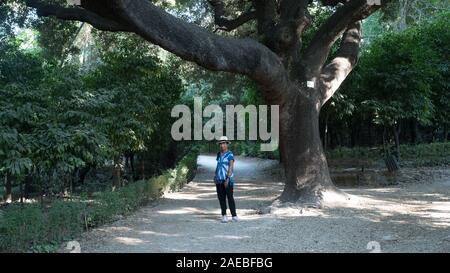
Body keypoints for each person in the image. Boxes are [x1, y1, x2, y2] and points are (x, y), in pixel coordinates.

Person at [214, 136, 238, 223]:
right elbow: (218, 165)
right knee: (221, 198)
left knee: (230, 197)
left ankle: (234, 215)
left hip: (227, 179)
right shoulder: (218, 154)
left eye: (224, 143)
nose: (222, 145)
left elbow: (231, 167)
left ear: (227, 144)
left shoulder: (230, 154)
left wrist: (228, 178)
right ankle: (224, 215)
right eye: (220, 144)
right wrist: (215, 175)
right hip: (219, 179)